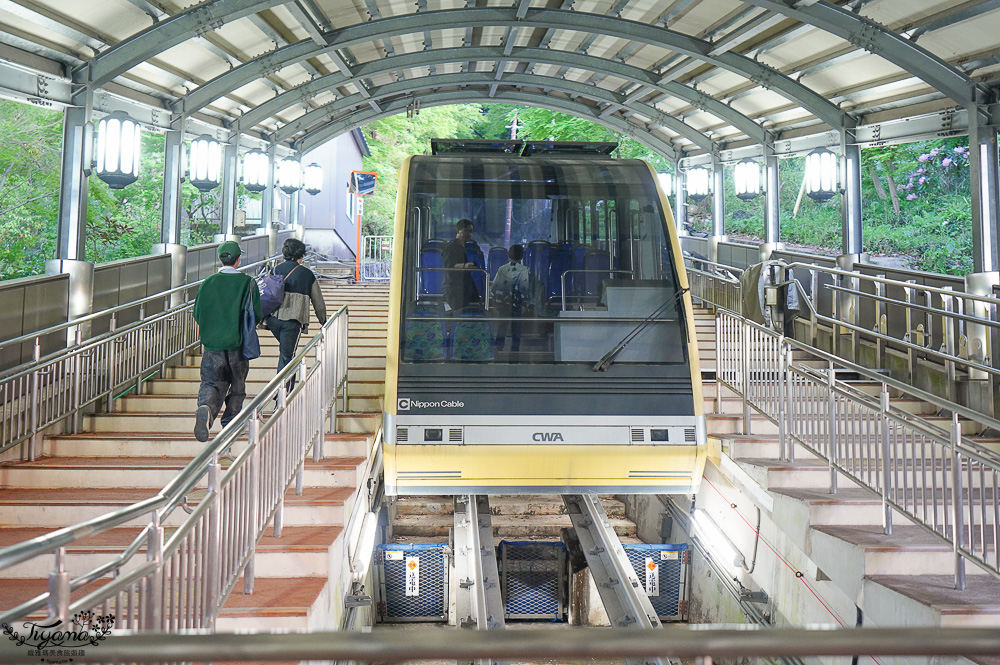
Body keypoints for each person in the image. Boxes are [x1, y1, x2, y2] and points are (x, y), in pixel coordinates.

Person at [192, 241, 262, 443]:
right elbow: (256, 313)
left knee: (211, 382)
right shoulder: (247, 283)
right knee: (237, 386)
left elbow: (198, 313)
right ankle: (230, 426)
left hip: (212, 345)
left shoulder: (208, 282)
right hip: (237, 344)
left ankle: (206, 407)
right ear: (238, 259)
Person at [265, 238, 328, 390]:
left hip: (272, 319)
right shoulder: (307, 275)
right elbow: (318, 302)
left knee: (286, 353)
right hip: (291, 321)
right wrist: (324, 322)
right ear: (301, 255)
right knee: (287, 356)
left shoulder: (275, 270)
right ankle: (282, 394)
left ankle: (282, 392)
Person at [490, 244, 530, 352]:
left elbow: (494, 287)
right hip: (517, 303)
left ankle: (498, 345)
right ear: (522, 256)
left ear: (508, 255)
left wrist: (495, 299)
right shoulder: (524, 270)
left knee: (503, 323)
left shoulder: (502, 269)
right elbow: (524, 287)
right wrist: (525, 303)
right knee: (516, 326)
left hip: (503, 302)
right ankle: (515, 348)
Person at [442, 219, 482, 312]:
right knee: (460, 313)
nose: (468, 234)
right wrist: (465, 266)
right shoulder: (452, 246)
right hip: (455, 288)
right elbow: (449, 265)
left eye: (470, 231)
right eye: (465, 231)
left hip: (464, 286)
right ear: (458, 230)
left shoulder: (463, 246)